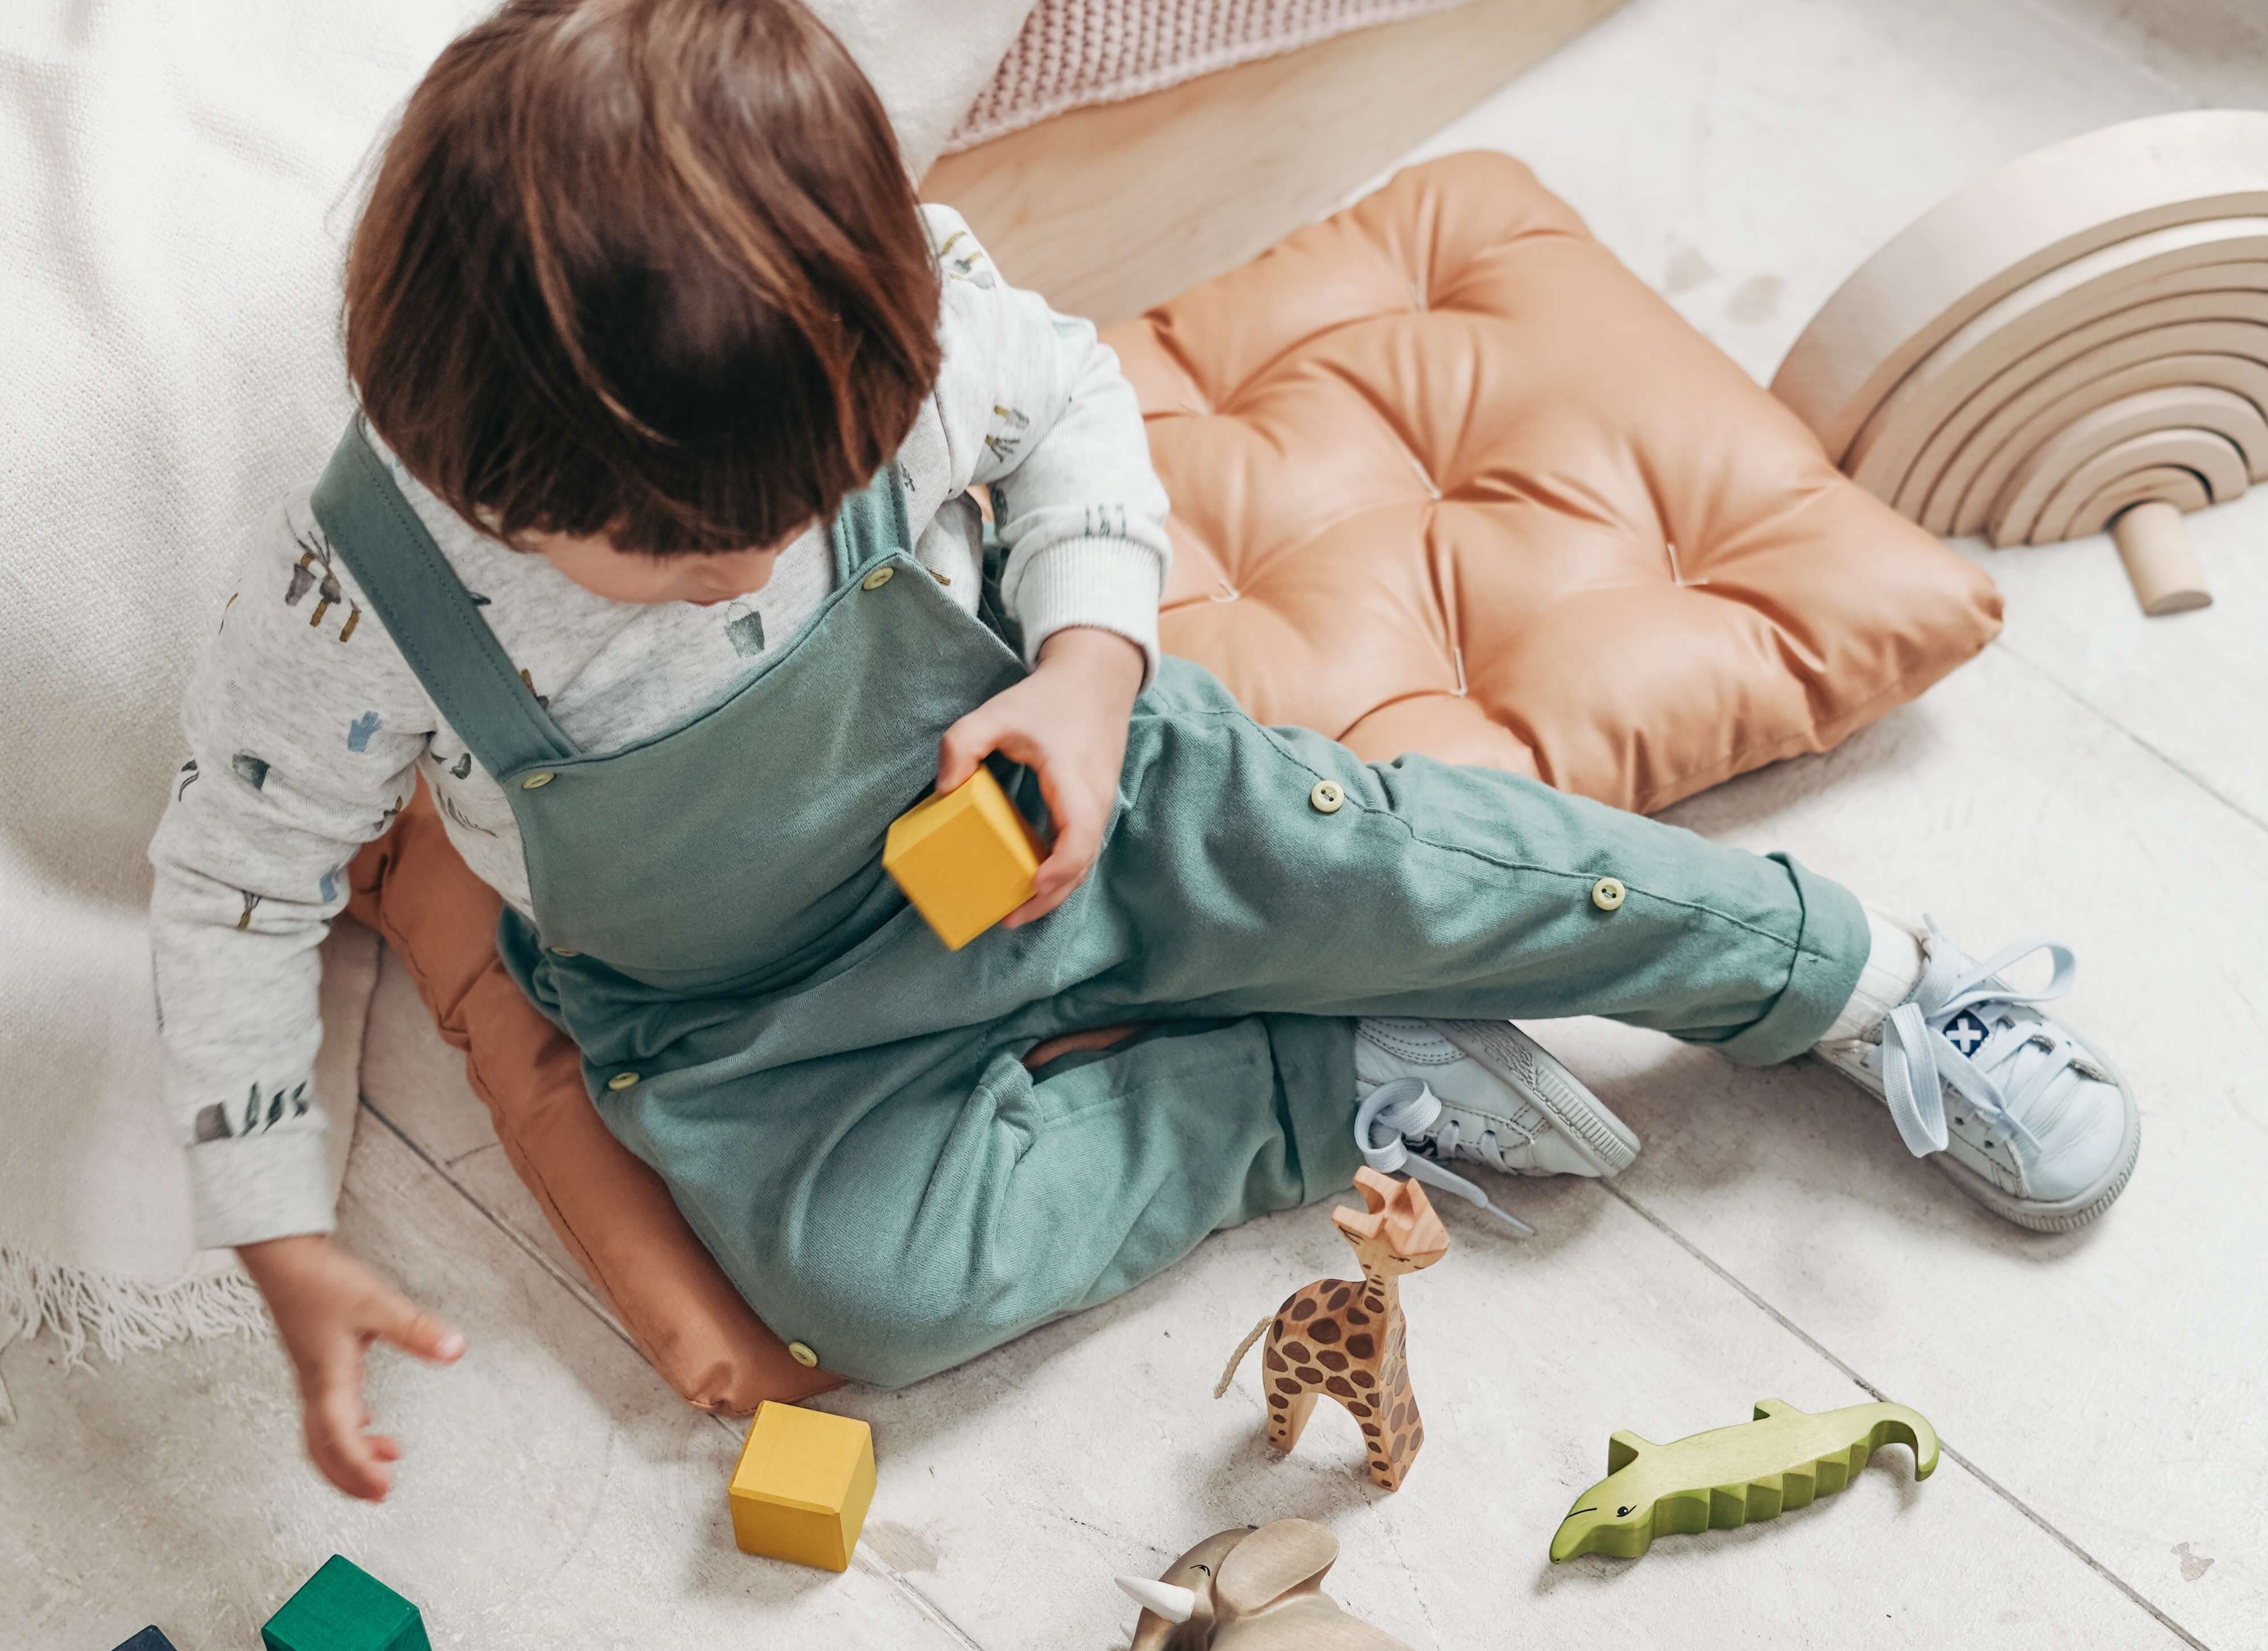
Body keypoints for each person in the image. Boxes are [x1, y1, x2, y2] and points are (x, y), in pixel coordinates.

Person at [149, 0, 2139, 1503]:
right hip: (754, 1018)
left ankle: (1853, 977)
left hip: (1083, 800)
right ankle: (1318, 1085)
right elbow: (232, 883)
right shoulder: (353, 597)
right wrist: (277, 1226)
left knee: (1422, 862)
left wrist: (1087, 672)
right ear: (480, 473)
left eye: (809, 505)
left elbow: (1073, 411)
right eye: (678, 557)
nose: (752, 564)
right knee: (874, 1292)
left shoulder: (890, 333)